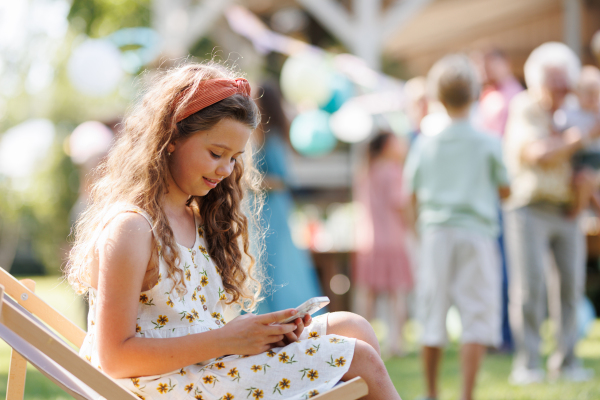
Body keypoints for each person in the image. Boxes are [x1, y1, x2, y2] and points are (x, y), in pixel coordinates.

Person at [65, 62, 402, 400]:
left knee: (353, 326)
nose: (225, 170)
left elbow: (193, 325)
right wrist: (228, 339)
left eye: (235, 158)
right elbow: (112, 358)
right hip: (158, 386)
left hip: (203, 368)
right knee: (359, 357)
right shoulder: (132, 228)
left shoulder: (195, 216)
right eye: (216, 153)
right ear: (170, 137)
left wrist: (260, 334)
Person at [404, 54, 510, 400]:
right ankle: (466, 394)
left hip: (436, 232)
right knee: (477, 314)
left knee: (432, 311)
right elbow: (505, 189)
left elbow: (412, 194)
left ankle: (432, 393)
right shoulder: (488, 141)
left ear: (437, 96)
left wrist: (419, 227)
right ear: (477, 94)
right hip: (477, 233)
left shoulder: (425, 141)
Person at [503, 42, 600, 385]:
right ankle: (528, 364)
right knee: (529, 290)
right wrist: (582, 136)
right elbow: (537, 152)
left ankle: (567, 362)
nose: (563, 90)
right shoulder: (525, 108)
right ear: (537, 81)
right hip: (529, 207)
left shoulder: (573, 109)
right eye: (556, 83)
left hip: (568, 210)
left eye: (566, 82)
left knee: (571, 289)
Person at [253, 82, 325, 315]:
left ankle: (287, 311)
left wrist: (249, 181)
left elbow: (283, 179)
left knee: (278, 263)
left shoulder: (273, 137)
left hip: (273, 210)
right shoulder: (256, 135)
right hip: (258, 209)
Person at [478, 48, 524, 353]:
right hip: (485, 192)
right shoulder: (485, 97)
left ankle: (507, 335)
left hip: (504, 191)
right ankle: (493, 334)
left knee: (506, 267)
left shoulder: (514, 97)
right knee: (488, 268)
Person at [353, 132, 413, 357]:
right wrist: (413, 226)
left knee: (367, 293)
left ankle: (361, 341)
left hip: (368, 240)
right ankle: (397, 343)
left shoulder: (366, 170)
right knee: (397, 291)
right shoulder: (393, 171)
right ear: (388, 145)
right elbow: (400, 204)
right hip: (392, 239)